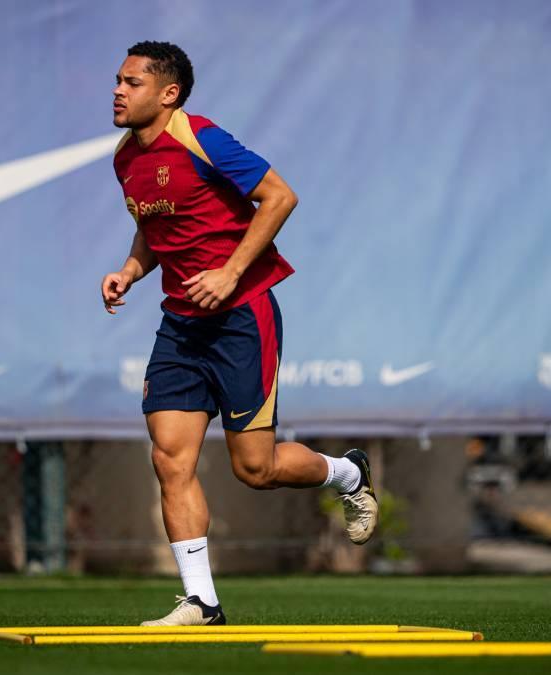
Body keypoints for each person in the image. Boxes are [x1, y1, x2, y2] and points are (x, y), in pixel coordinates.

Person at [101, 41, 378, 626]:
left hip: (241, 318)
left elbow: (280, 196)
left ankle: (349, 472)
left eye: (132, 82)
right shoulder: (127, 157)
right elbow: (157, 228)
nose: (118, 91)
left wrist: (230, 272)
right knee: (169, 459)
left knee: (255, 470)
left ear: (168, 93)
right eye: (118, 81)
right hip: (179, 326)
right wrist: (130, 270)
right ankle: (201, 602)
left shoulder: (203, 138)